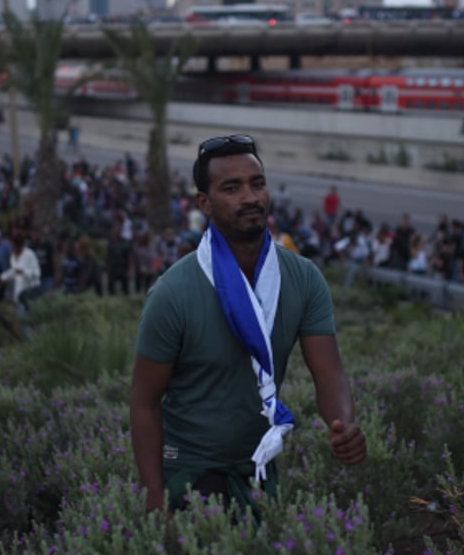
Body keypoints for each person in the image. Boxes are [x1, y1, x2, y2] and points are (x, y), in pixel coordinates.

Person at [130, 134, 366, 515]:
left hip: (259, 466)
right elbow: (144, 402)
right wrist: (154, 495)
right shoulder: (172, 293)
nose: (250, 197)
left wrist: (344, 424)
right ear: (204, 203)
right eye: (232, 188)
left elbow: (329, 373)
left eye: (257, 184)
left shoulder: (304, 279)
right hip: (189, 471)